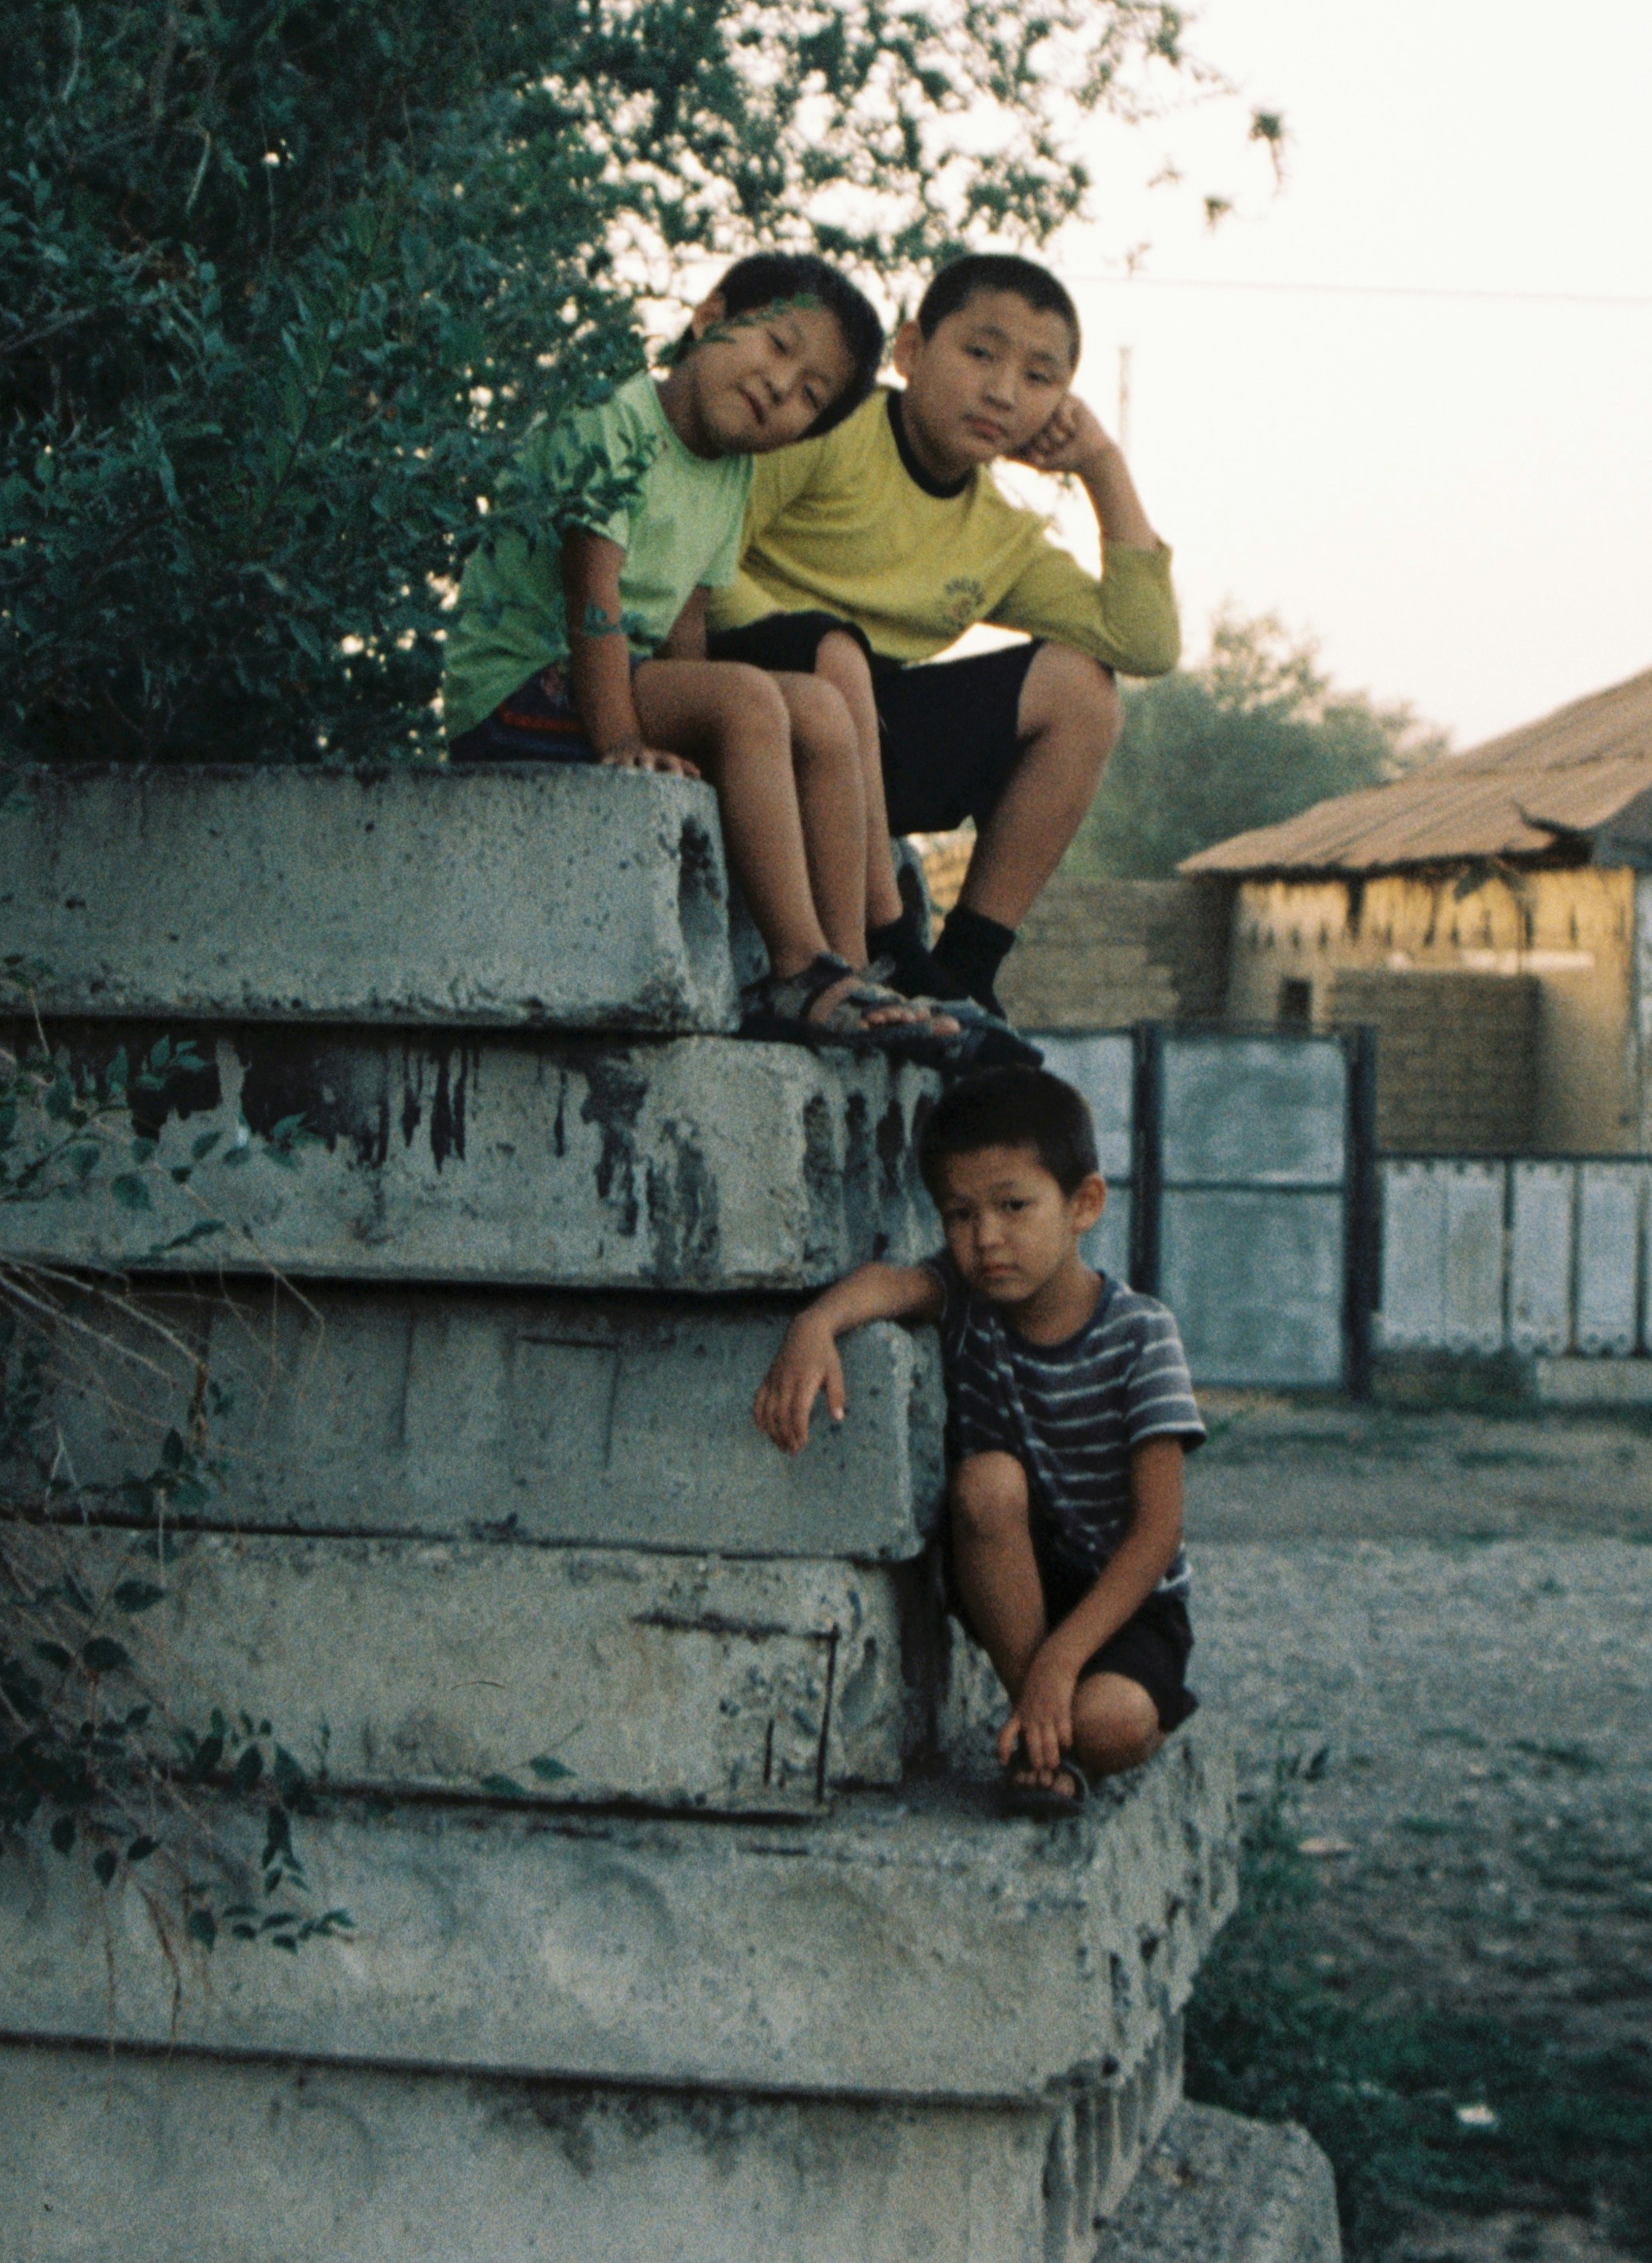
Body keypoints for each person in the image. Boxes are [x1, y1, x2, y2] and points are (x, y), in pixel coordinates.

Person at [440, 256, 952, 1048]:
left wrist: (712, 723)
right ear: (710, 318)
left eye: (811, 393)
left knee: (816, 707)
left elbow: (687, 625)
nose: (783, 386)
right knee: (748, 698)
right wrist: (623, 742)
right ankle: (793, 973)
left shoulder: (731, 474)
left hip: (617, 683)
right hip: (519, 687)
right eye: (778, 346)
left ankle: (845, 970)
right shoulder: (613, 417)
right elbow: (591, 594)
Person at [705, 255, 1173, 1017]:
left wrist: (1101, 466)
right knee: (836, 652)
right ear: (913, 351)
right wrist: (816, 644)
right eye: (981, 353)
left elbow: (1145, 643)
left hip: (869, 738)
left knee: (1083, 691)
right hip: (757, 714)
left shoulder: (1001, 536)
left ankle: (968, 968)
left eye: (1039, 376)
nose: (1002, 391)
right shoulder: (834, 423)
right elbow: (708, 554)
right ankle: (889, 943)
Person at [750, 1066, 1200, 1813]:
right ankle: (1045, 1735)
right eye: (959, 1214)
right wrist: (814, 1326)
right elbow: (884, 1285)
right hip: (1011, 1586)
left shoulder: (1141, 1333)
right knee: (987, 1478)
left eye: (1013, 1206)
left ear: (1084, 1202)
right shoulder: (964, 1302)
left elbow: (1158, 1533)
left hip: (1126, 1602)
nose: (986, 1237)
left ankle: (1059, 1724)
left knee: (1113, 1724)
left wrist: (1064, 1658)